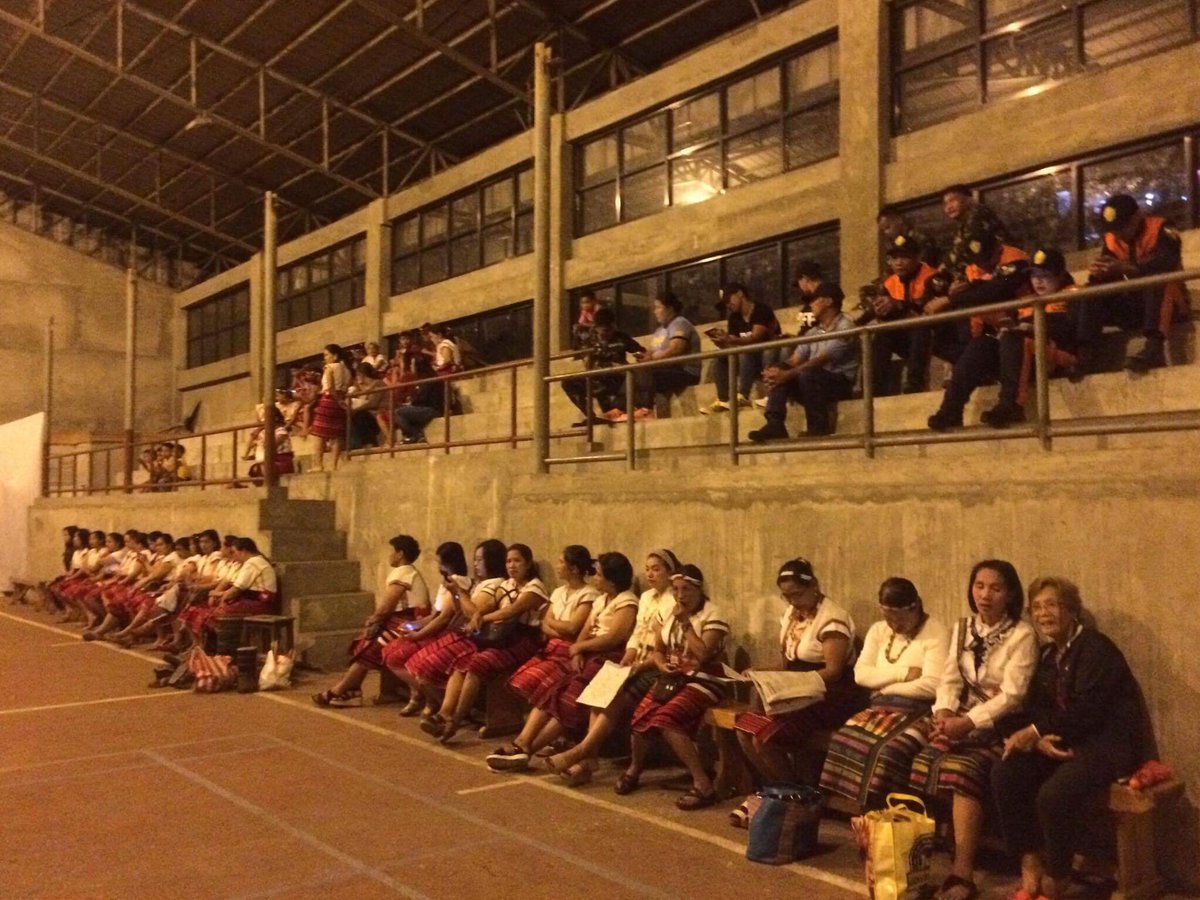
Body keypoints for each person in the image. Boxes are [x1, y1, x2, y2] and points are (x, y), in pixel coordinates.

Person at [991, 577, 1145, 900]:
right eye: (1036, 608)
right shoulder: (1049, 655)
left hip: (1106, 744)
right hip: (1066, 740)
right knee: (1006, 772)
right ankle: (1029, 861)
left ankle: (1057, 878)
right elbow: (1035, 708)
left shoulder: (1096, 648)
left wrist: (1036, 734)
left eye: (1052, 605)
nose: (1044, 613)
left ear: (1071, 610)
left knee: (1053, 794)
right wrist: (1039, 738)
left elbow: (1089, 711)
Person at [908, 559, 1038, 900]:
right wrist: (945, 714)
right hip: (960, 718)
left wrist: (966, 723)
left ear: (1010, 594)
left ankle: (962, 871)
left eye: (996, 588)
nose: (985, 594)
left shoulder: (1022, 635)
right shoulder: (963, 627)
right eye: (979, 586)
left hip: (1000, 725)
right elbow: (949, 679)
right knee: (917, 754)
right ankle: (931, 849)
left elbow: (1013, 695)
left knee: (963, 768)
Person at [732, 559, 864, 822]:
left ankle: (796, 796)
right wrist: (760, 672)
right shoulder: (792, 616)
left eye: (797, 594)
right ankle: (784, 790)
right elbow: (786, 662)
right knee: (745, 727)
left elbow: (833, 670)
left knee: (764, 737)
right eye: (787, 596)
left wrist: (793, 684)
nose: (793, 601)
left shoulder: (832, 619)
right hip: (794, 689)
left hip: (828, 693)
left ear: (813, 585)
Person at [488, 551, 638, 775]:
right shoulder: (600, 600)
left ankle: (529, 749)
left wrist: (580, 647)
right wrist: (577, 650)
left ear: (611, 578)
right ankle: (523, 743)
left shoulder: (627, 601)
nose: (594, 578)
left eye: (598, 574)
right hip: (589, 655)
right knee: (554, 692)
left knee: (569, 701)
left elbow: (614, 637)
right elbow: (585, 632)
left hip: (608, 657)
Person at [545, 548, 681, 784]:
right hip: (636, 659)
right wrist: (629, 654)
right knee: (600, 688)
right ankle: (589, 757)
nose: (650, 574)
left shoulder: (673, 600)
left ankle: (583, 751)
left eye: (656, 569)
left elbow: (667, 646)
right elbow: (637, 633)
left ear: (670, 572)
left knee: (614, 694)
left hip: (655, 664)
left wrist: (641, 664)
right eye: (647, 569)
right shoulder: (647, 597)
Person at [819, 577, 950, 813]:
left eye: (900, 618)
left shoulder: (936, 632)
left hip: (917, 711)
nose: (894, 625)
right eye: (889, 618)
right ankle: (865, 814)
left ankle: (890, 814)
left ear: (916, 606)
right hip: (878, 708)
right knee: (845, 737)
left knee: (889, 751)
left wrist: (884, 686)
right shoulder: (879, 630)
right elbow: (861, 675)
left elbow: (932, 685)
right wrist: (903, 674)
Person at [617, 563, 729, 811]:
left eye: (686, 589)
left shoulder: (712, 615)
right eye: (676, 589)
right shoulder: (670, 613)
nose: (680, 595)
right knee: (641, 715)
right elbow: (659, 650)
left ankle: (702, 783)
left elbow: (702, 655)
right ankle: (635, 769)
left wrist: (686, 624)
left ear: (699, 590)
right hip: (673, 678)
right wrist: (660, 664)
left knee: (667, 719)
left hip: (705, 679)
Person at [423, 543, 549, 744]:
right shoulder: (506, 585)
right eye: (508, 561)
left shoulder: (534, 588)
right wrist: (478, 615)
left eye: (517, 561)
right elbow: (487, 606)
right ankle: (445, 714)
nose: (512, 565)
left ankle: (454, 722)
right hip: (501, 637)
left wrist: (483, 619)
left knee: (477, 664)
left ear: (528, 564)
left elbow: (511, 611)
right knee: (462, 663)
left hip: (522, 639)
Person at [925, 231, 1031, 430]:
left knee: (1011, 338)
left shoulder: (1016, 260)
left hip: (1031, 336)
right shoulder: (973, 268)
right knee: (979, 347)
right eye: (978, 260)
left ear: (997, 247)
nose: (983, 264)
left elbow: (996, 288)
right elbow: (977, 293)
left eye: (987, 258)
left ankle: (1010, 406)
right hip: (1001, 337)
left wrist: (952, 299)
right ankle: (950, 412)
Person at [313, 534, 430, 707]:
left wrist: (373, 620)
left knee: (371, 647)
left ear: (400, 554)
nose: (389, 555)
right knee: (365, 643)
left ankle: (339, 690)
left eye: (391, 551)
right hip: (402, 621)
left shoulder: (403, 572)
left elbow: (387, 606)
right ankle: (355, 690)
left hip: (410, 623)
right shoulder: (408, 571)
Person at [1077, 193, 1188, 373]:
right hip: (1134, 306)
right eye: (1115, 229)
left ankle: (1154, 349)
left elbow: (1166, 263)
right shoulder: (1112, 239)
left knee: (1158, 280)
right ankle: (1085, 355)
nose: (1119, 233)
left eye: (1123, 226)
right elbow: (1109, 271)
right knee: (1091, 291)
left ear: (1138, 216)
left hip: (1170, 304)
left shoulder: (1162, 227)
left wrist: (1125, 268)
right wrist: (1099, 273)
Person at [406, 539, 508, 725]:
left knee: (431, 667)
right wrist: (455, 594)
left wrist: (460, 593)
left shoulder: (495, 585)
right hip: (465, 634)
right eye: (475, 559)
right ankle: (447, 709)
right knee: (419, 668)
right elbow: (460, 610)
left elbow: (472, 614)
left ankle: (450, 711)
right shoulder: (481, 583)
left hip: (475, 639)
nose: (475, 564)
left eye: (480, 560)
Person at [981, 248, 1078, 428]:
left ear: (1060, 276)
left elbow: (1071, 330)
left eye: (1045, 275)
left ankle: (1011, 405)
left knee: (1016, 339)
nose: (1038, 281)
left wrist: (1035, 328)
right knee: (982, 345)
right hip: (1028, 355)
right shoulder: (1027, 302)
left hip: (1060, 355)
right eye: (1034, 275)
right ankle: (950, 410)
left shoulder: (1074, 295)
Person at [748, 282, 857, 441]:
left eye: (814, 300)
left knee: (806, 372)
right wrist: (776, 372)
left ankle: (818, 427)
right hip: (814, 382)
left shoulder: (846, 325)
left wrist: (787, 374)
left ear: (828, 301)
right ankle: (775, 423)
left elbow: (821, 359)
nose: (810, 304)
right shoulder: (814, 331)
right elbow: (794, 359)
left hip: (839, 383)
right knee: (782, 368)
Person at [382, 542, 473, 718]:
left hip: (443, 634)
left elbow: (444, 618)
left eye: (440, 562)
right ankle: (420, 696)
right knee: (389, 650)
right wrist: (413, 626)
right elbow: (434, 615)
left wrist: (417, 635)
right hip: (434, 629)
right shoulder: (446, 582)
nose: (438, 566)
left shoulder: (458, 582)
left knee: (401, 657)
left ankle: (433, 699)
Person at [870, 234, 942, 395]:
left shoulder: (932, 276)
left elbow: (925, 306)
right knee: (881, 334)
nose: (899, 263)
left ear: (916, 257)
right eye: (894, 258)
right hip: (905, 335)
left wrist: (898, 304)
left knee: (919, 327)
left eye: (904, 257)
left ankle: (915, 384)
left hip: (935, 333)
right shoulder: (889, 282)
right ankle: (876, 389)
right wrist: (880, 310)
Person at [701, 282, 780, 413]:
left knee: (744, 352)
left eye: (728, 300)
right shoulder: (734, 318)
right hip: (747, 361)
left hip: (767, 356)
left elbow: (756, 337)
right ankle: (724, 399)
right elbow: (732, 344)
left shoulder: (761, 309)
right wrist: (721, 343)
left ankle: (743, 395)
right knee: (720, 356)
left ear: (740, 293)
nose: (728, 305)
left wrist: (732, 340)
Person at [562, 308, 645, 426]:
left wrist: (632, 363)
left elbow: (640, 352)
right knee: (568, 383)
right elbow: (574, 354)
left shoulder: (621, 337)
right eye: (604, 331)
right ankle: (591, 416)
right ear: (596, 328)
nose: (608, 334)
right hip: (596, 378)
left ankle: (615, 411)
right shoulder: (588, 339)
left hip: (616, 378)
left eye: (611, 329)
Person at [630, 292, 701, 420]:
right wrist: (644, 357)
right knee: (632, 374)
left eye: (658, 307)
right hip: (667, 370)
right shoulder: (659, 331)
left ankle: (647, 409)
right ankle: (626, 409)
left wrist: (651, 359)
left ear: (669, 309)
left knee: (649, 374)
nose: (655, 311)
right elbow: (651, 352)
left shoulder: (680, 323)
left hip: (685, 372)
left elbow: (676, 348)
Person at [940, 184, 1012, 284]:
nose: (948, 207)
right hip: (989, 274)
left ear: (969, 199)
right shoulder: (965, 222)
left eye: (952, 200)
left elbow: (967, 250)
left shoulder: (977, 214)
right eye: (945, 204)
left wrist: (944, 266)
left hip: (1004, 272)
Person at [309, 343, 352, 470]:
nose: (325, 358)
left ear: (335, 356)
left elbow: (331, 388)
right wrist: (340, 400)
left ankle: (318, 464)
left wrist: (335, 398)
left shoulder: (330, 368)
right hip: (340, 402)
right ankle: (334, 465)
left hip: (329, 401)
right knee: (336, 435)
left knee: (319, 434)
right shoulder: (347, 370)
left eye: (327, 355)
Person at [347, 362, 385, 450]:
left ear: (361, 374)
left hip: (381, 411)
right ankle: (354, 443)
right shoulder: (364, 387)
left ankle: (369, 441)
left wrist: (355, 410)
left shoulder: (378, 384)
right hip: (371, 413)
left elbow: (373, 403)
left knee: (359, 415)